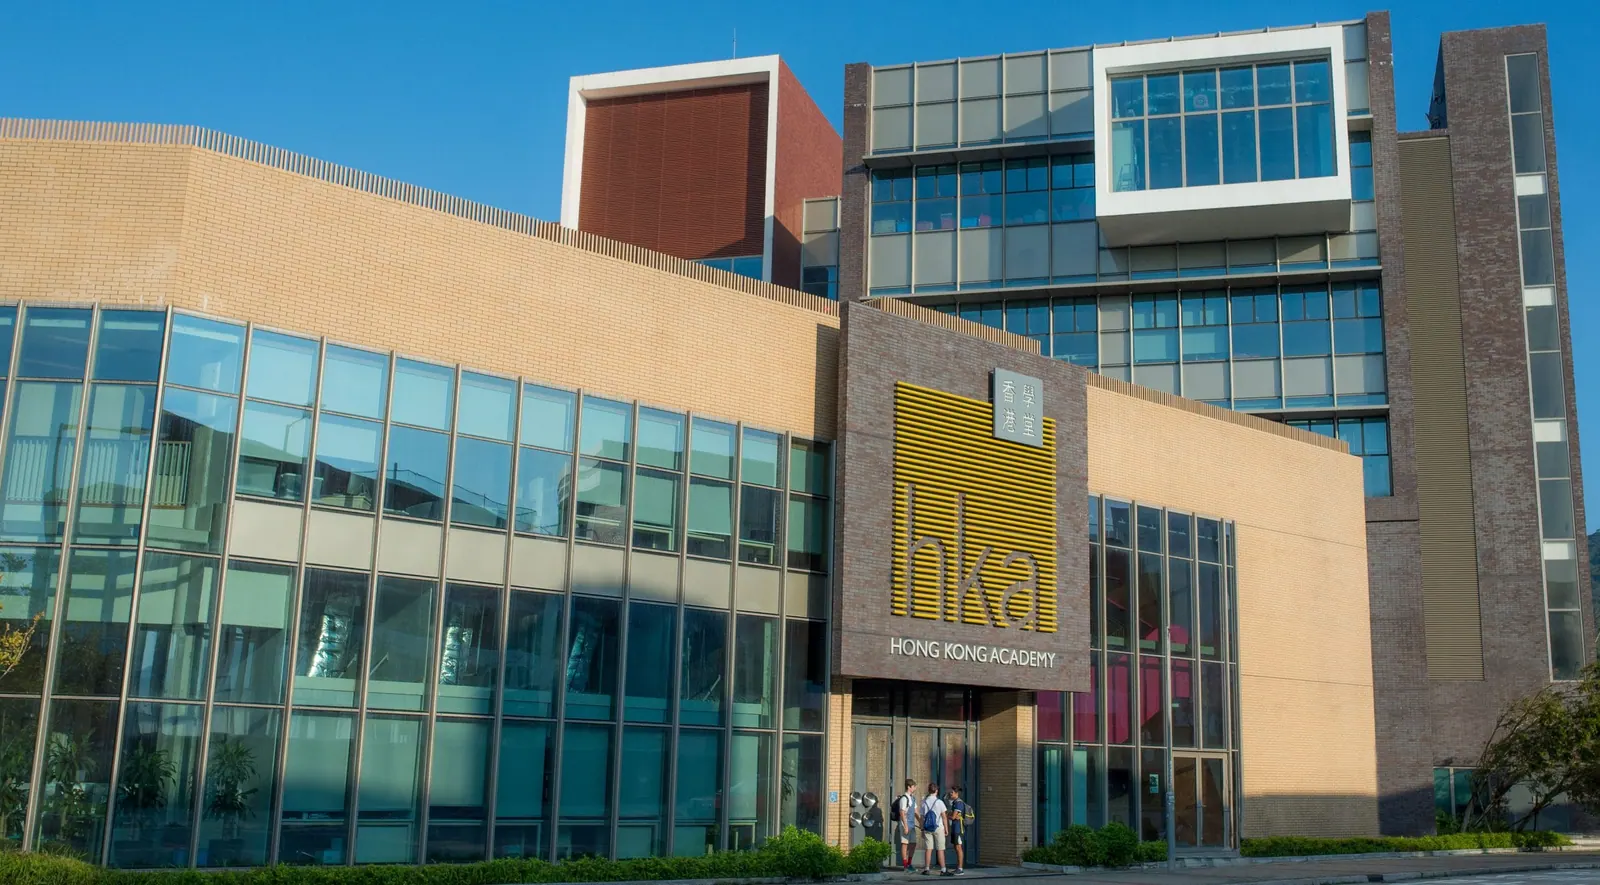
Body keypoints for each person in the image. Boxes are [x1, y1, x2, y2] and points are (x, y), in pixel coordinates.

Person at [918, 782, 948, 875]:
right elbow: (944, 817)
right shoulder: (939, 802)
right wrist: (946, 828)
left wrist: (922, 829)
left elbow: (922, 817)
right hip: (938, 827)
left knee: (928, 849)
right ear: (936, 791)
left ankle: (927, 869)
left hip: (927, 828)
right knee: (940, 849)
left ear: (929, 790)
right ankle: (943, 870)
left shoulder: (924, 802)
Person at [895, 779, 918, 872]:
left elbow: (916, 811)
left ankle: (909, 863)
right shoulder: (904, 798)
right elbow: (902, 812)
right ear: (909, 787)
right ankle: (905, 865)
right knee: (905, 844)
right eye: (913, 786)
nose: (915, 788)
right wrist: (905, 826)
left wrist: (921, 822)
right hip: (906, 824)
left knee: (913, 843)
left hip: (912, 825)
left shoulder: (912, 798)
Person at [946, 787, 970, 875]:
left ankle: (960, 868)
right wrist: (951, 815)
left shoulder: (958, 803)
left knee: (958, 848)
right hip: (954, 828)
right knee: (956, 847)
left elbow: (953, 817)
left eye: (952, 792)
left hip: (958, 829)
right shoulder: (954, 803)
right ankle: (958, 867)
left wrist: (946, 815)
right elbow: (953, 816)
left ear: (957, 793)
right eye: (950, 792)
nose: (950, 794)